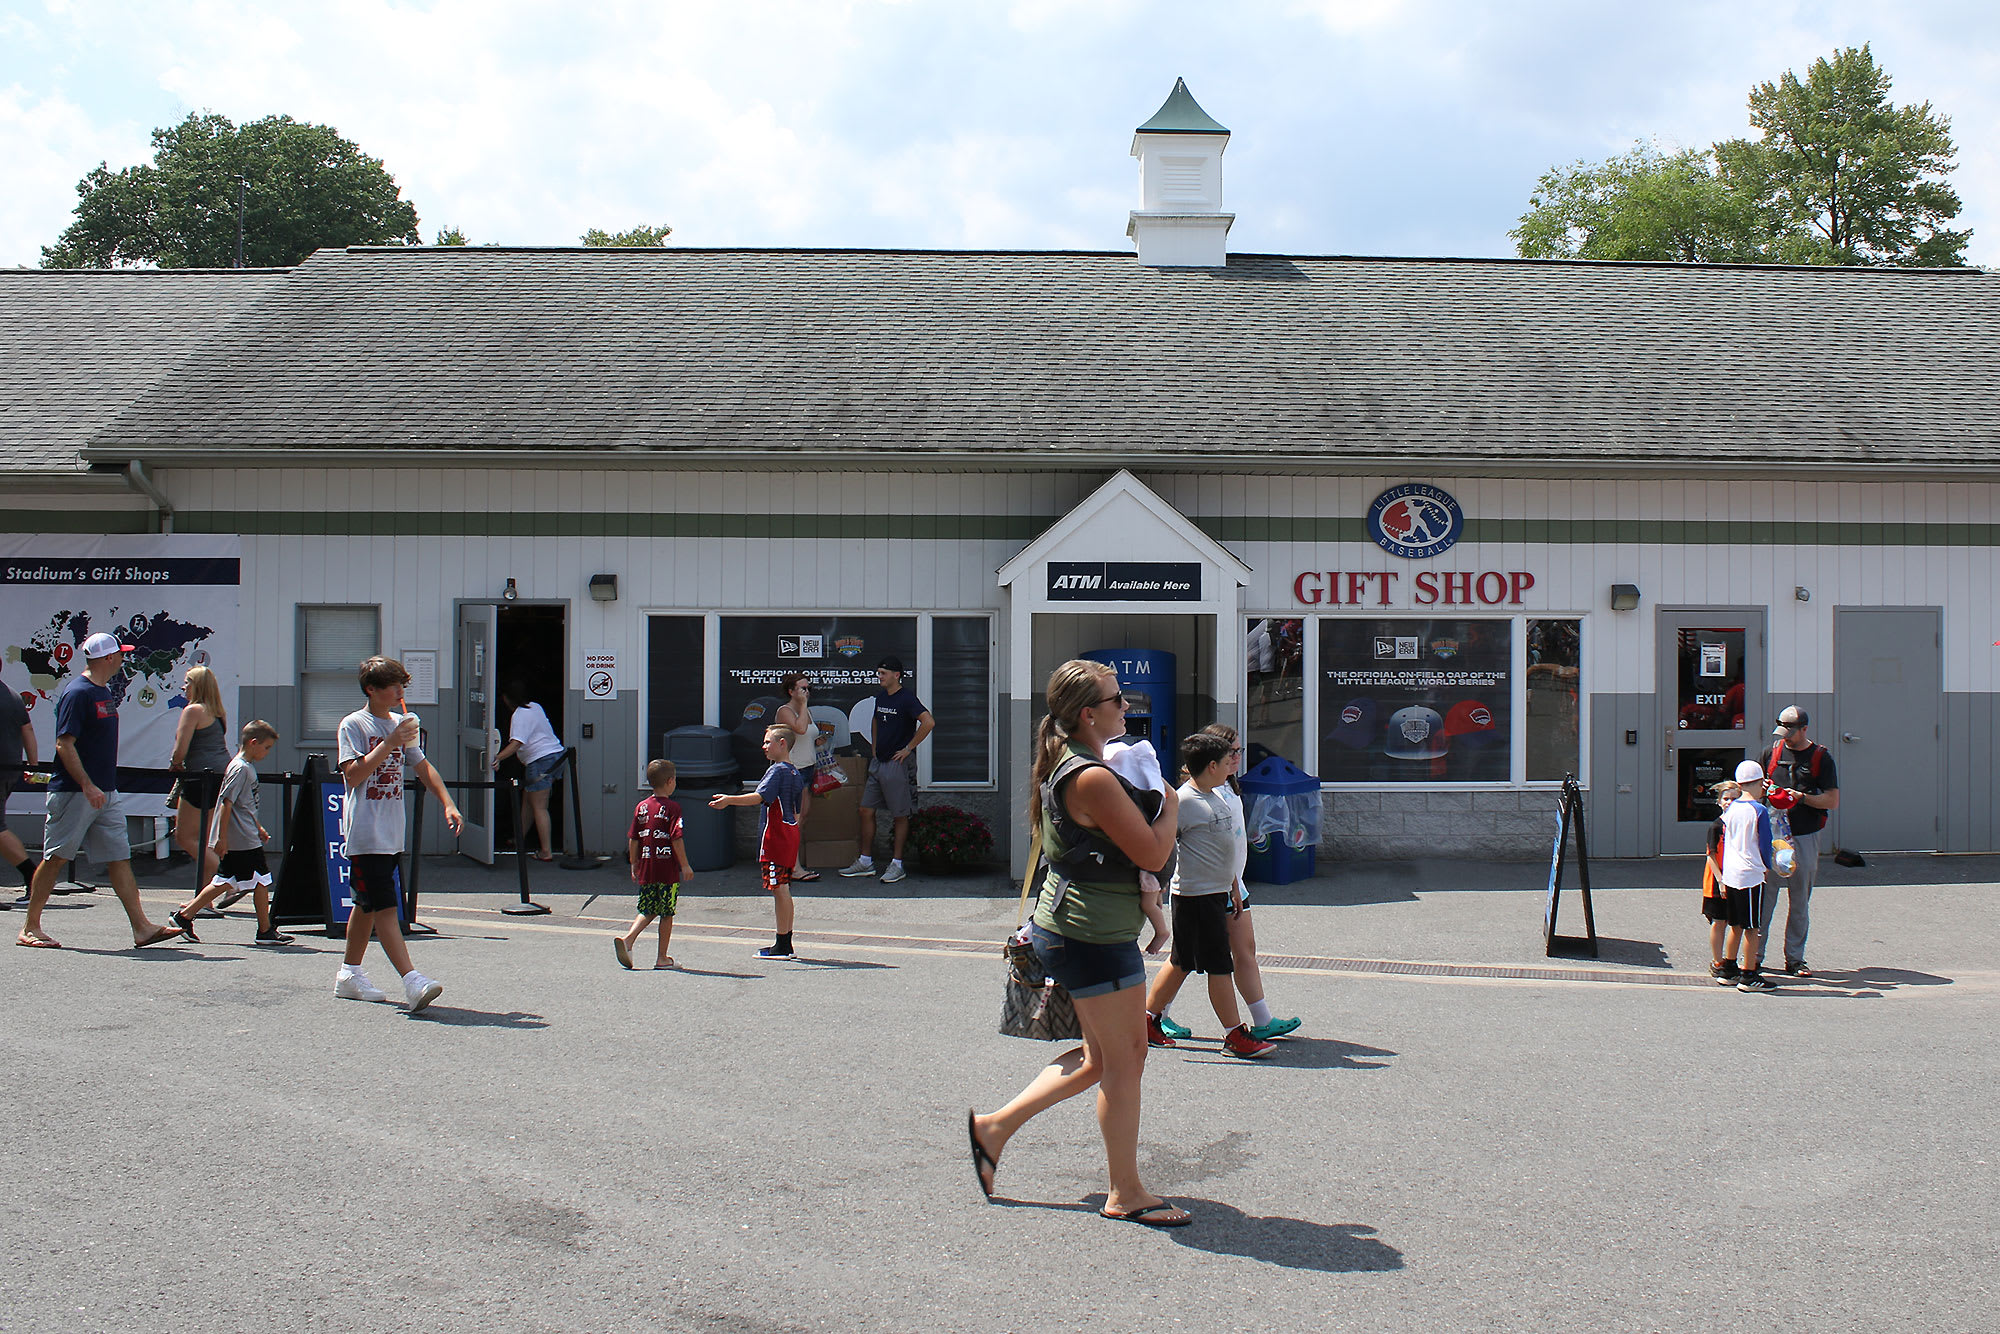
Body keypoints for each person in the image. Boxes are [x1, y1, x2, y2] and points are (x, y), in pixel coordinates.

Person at [967, 660, 1190, 1227]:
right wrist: (1171, 802)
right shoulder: (1090, 776)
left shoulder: (1080, 764)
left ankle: (994, 1127)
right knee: (1124, 1061)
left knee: (1104, 1058)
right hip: (1091, 933)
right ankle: (1126, 1192)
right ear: (1089, 713)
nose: (1127, 708)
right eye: (1117, 700)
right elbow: (1153, 853)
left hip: (1079, 927)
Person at [16, 633, 183, 950]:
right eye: (120, 654)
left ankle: (142, 928)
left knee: (119, 857)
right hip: (76, 793)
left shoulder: (101, 692)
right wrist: (87, 785)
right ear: (108, 658)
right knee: (56, 859)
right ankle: (30, 927)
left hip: (105, 792)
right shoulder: (78, 693)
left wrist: (100, 787)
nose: (123, 659)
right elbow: (64, 744)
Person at [1157, 722, 1300, 1043]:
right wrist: (1154, 888)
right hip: (1199, 893)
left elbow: (1227, 846)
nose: (1237, 758)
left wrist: (1235, 885)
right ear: (1213, 762)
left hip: (1226, 887)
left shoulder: (1224, 791)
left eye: (1238, 751)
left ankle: (1257, 1020)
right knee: (1195, 962)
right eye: (1231, 753)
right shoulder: (1191, 798)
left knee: (1229, 955)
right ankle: (1166, 1019)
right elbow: (1163, 844)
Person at [335, 656, 462, 1010]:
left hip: (390, 830)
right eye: (393, 686)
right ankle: (412, 979)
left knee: (367, 903)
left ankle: (349, 973)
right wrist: (390, 741)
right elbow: (353, 775)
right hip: (365, 832)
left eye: (402, 685)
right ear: (370, 689)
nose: (399, 691)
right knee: (387, 906)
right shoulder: (354, 724)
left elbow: (422, 766)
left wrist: (447, 802)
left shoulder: (400, 724)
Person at [167, 720, 293, 946]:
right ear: (253, 743)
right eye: (266, 747)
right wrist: (221, 838)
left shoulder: (245, 767)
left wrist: (258, 827)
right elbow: (226, 803)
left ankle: (185, 917)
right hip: (241, 839)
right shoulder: (240, 769)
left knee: (229, 880)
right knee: (256, 879)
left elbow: (246, 805)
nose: (267, 752)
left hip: (245, 835)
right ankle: (264, 930)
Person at [710, 725, 805, 960]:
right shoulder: (795, 772)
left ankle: (782, 946)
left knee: (779, 888)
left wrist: (728, 800)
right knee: (783, 888)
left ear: (782, 743)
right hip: (789, 834)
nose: (763, 746)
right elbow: (798, 812)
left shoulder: (777, 771)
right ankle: (784, 942)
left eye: (768, 742)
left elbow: (759, 797)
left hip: (775, 838)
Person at [839, 657, 933, 885]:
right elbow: (875, 721)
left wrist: (908, 748)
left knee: (899, 814)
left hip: (896, 765)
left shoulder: (907, 699)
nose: (879, 676)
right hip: (878, 763)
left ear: (896, 674)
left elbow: (928, 722)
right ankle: (865, 861)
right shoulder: (881, 697)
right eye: (878, 672)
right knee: (865, 810)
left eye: (883, 672)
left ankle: (897, 864)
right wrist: (874, 747)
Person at [1762, 706, 1839, 976]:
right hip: (1773, 837)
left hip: (1805, 835)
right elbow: (1757, 789)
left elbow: (1832, 800)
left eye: (1790, 732)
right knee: (1765, 898)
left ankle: (1795, 959)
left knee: (1799, 901)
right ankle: (1754, 957)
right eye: (1781, 731)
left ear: (1804, 728)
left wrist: (1801, 797)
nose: (1785, 737)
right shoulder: (1772, 753)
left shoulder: (1821, 757)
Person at [619, 759, 692, 969]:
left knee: (648, 907)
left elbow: (633, 838)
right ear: (670, 781)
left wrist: (634, 863)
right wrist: (685, 865)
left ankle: (629, 940)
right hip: (667, 869)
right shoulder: (673, 808)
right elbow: (676, 838)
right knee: (667, 912)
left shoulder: (641, 807)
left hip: (647, 866)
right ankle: (662, 957)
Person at [167, 663, 231, 886]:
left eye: (188, 683)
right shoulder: (218, 713)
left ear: (198, 686)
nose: (184, 687)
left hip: (199, 778)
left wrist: (175, 763)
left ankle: (228, 877)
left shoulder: (193, 711)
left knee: (184, 837)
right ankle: (205, 899)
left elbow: (180, 751)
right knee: (206, 841)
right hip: (222, 777)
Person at [1717, 759, 1776, 993]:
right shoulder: (1759, 810)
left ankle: (1728, 969)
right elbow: (1764, 843)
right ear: (1759, 782)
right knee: (1752, 927)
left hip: (1731, 873)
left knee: (1735, 924)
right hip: (1751, 873)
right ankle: (1749, 975)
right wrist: (1767, 866)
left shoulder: (1731, 809)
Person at [492, 682, 565, 862]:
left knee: (539, 807)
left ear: (507, 699)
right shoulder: (535, 707)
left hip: (539, 761)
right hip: (555, 756)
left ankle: (546, 851)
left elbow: (517, 743)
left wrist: (497, 758)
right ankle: (519, 838)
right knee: (528, 800)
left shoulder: (519, 715)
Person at [774, 672, 821, 883]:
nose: (806, 692)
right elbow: (800, 729)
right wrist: (802, 705)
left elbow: (809, 733)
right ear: (791, 691)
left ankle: (791, 862)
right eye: (802, 688)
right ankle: (793, 867)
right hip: (792, 771)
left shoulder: (806, 710)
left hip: (808, 769)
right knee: (793, 820)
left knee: (802, 820)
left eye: (808, 688)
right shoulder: (785, 711)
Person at [0, 677, 37, 908]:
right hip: (10, 770)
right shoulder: (12, 695)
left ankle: (33, 875)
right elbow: (28, 729)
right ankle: (33, 876)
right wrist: (33, 766)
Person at [1704, 778, 1742, 984]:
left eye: (1735, 799)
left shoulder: (1741, 825)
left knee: (1736, 922)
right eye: (1726, 799)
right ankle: (1717, 961)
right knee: (1719, 921)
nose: (1729, 802)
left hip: (1738, 878)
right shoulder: (1716, 827)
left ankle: (1730, 960)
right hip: (1718, 881)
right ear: (1719, 801)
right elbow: (1710, 855)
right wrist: (1720, 881)